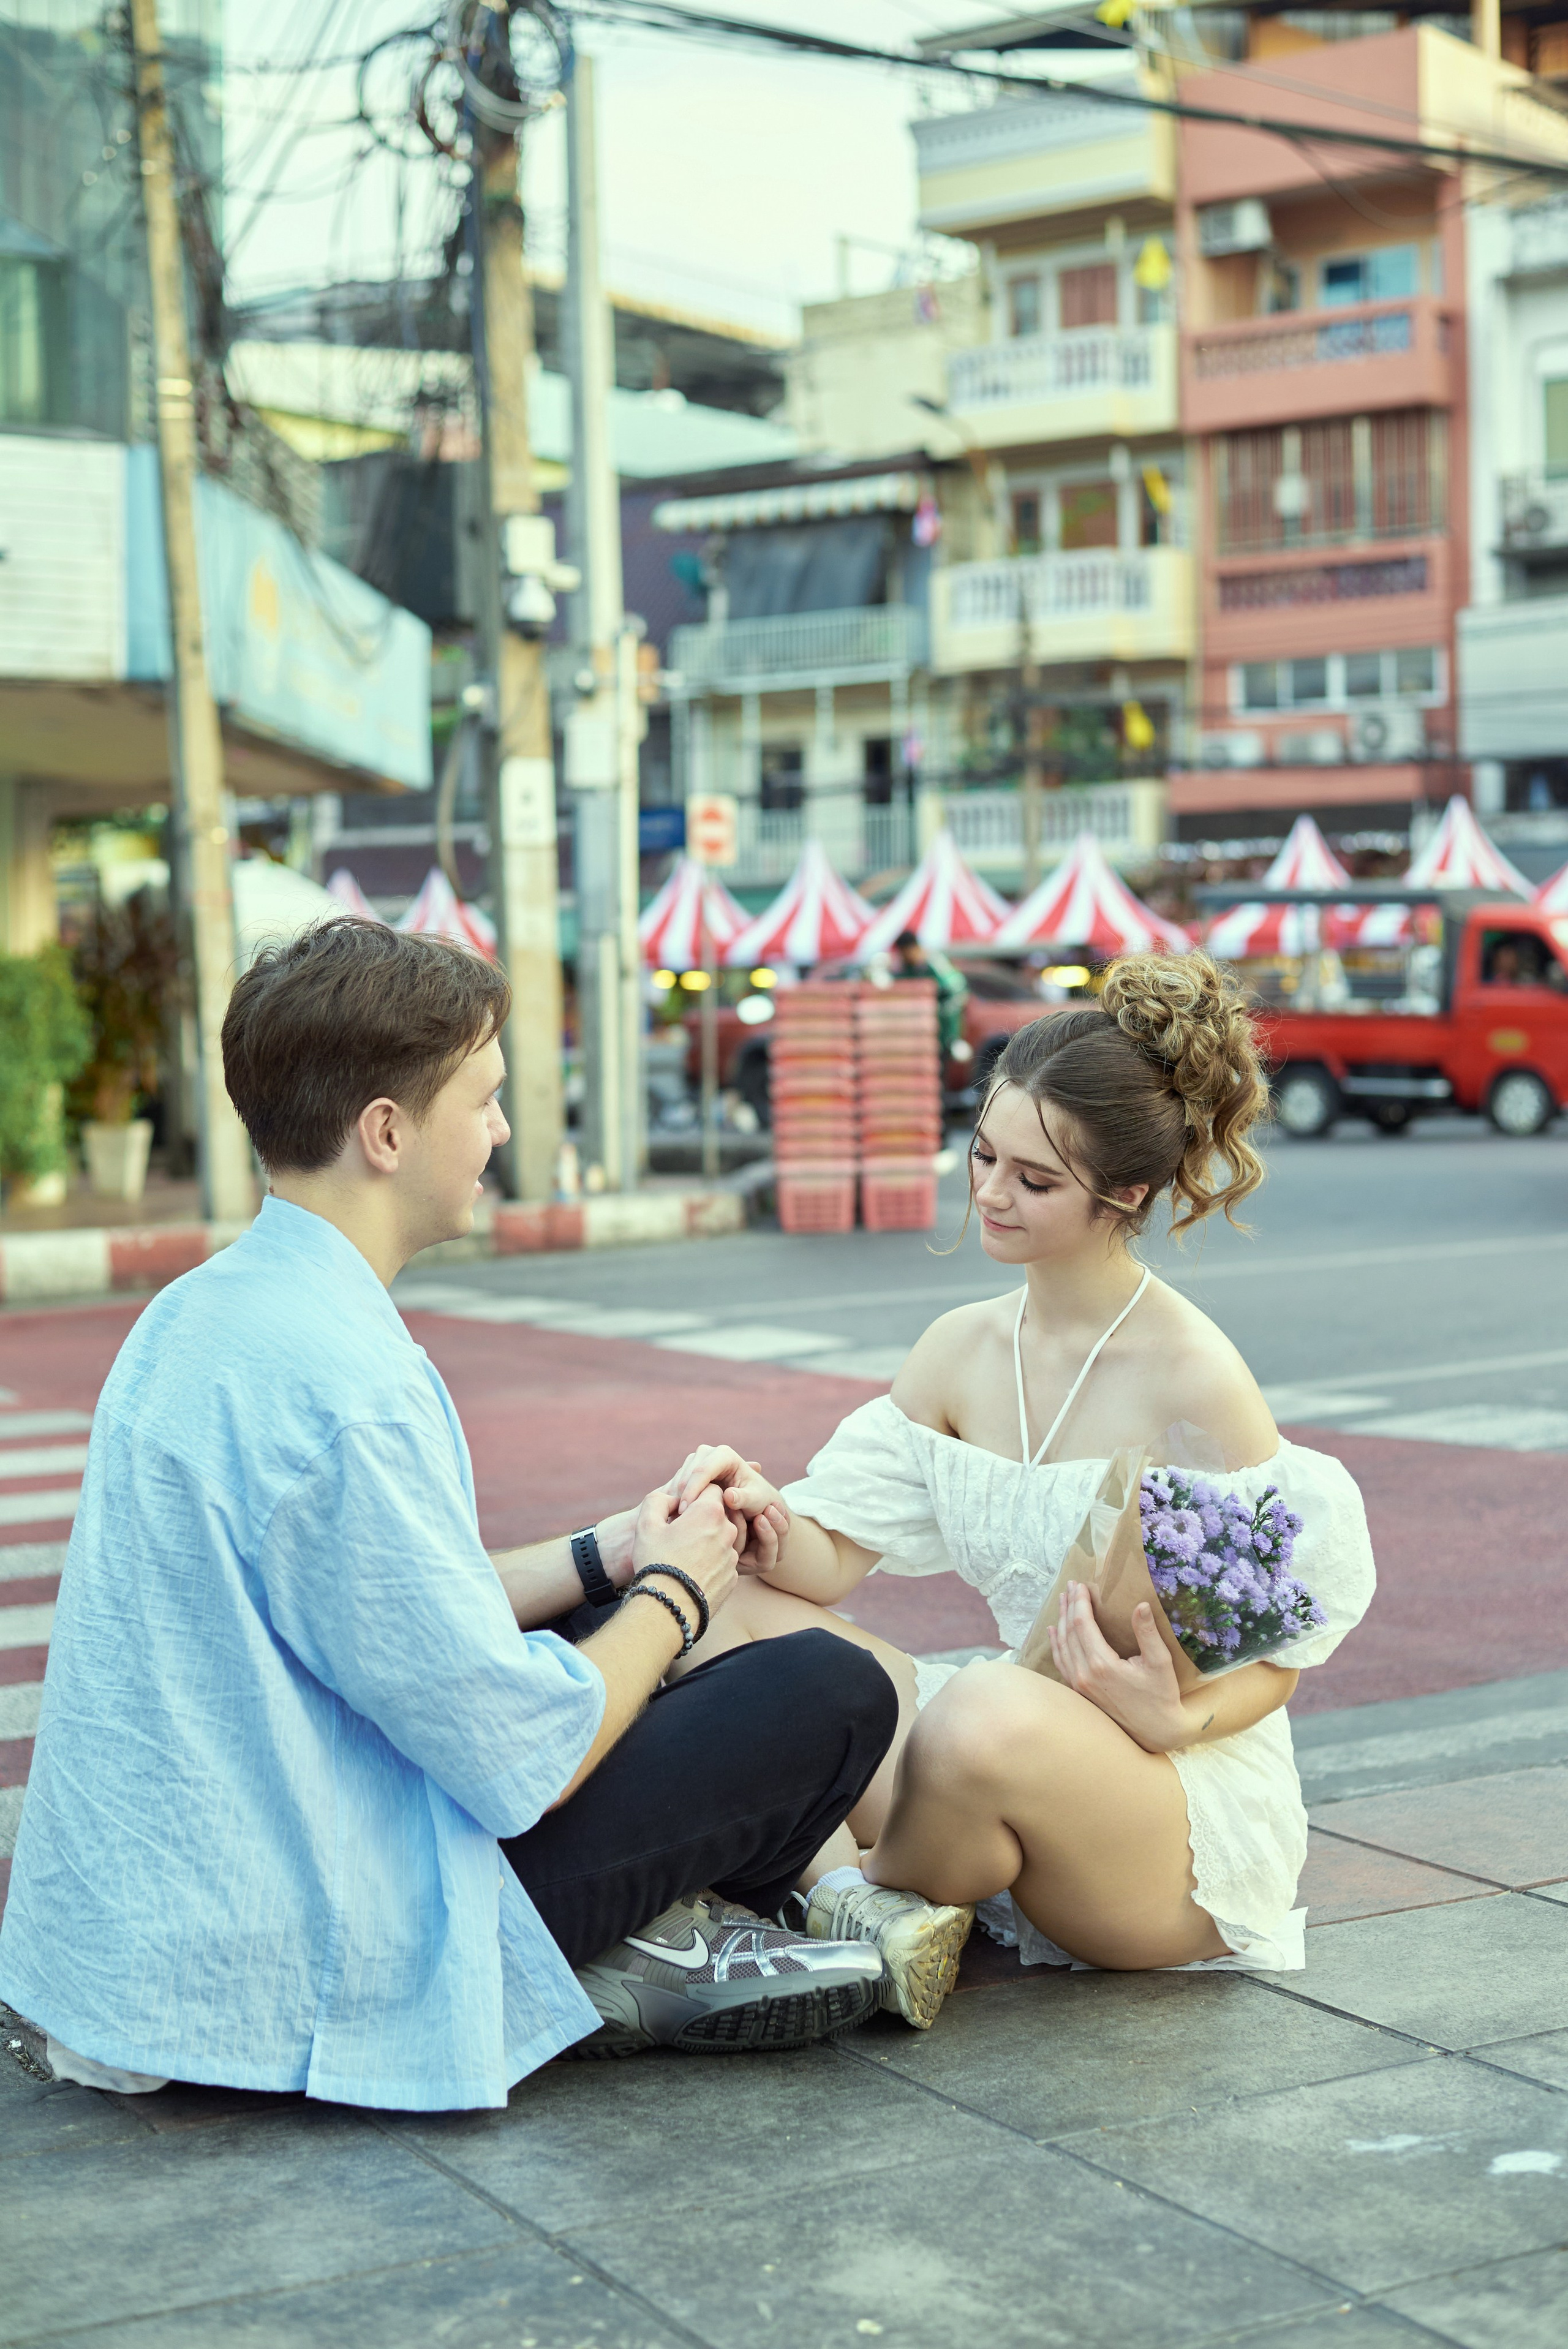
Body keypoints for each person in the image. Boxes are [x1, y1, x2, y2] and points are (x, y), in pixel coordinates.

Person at [0, 919, 895, 2110]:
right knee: (829, 1693)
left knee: (654, 1635)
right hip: (314, 1922)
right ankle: (625, 1945)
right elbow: (519, 1753)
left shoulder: (201, 1313)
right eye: (482, 1097)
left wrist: (616, 1552)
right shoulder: (351, 1384)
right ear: (385, 1131)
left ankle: (658, 1927)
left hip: (176, 1901)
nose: (502, 1130)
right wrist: (679, 1594)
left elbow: (394, 1618)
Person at [665, 952, 1377, 2030]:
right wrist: (755, 1518)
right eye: (985, 1155)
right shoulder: (959, 1352)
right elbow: (827, 1557)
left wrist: (1179, 1714)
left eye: (1034, 1181)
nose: (992, 1193)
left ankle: (839, 1889)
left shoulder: (1194, 1377)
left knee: (984, 1711)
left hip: (1166, 1816)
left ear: (1127, 1192)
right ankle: (878, 1896)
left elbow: (1273, 1668)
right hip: (1003, 1752)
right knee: (714, 1602)